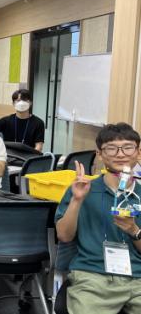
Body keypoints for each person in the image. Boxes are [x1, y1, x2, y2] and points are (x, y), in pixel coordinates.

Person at [56, 123, 141, 313]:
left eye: (128, 147)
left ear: (138, 153)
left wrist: (134, 230)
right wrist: (77, 200)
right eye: (111, 148)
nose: (120, 154)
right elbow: (64, 236)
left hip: (137, 277)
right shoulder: (82, 189)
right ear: (100, 154)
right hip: (92, 275)